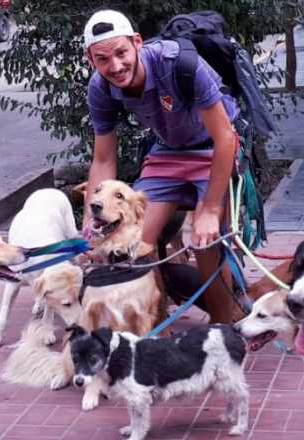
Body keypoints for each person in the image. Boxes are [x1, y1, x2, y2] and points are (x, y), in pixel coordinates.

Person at [82, 9, 244, 323]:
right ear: (91, 59)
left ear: (137, 43)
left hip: (213, 149)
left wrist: (209, 209)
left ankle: (225, 323)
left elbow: (225, 138)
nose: (115, 66)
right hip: (168, 152)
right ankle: (154, 325)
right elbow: (103, 159)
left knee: (205, 239)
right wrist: (93, 217)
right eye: (102, 59)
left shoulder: (178, 65)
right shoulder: (100, 88)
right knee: (134, 235)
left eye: (121, 53)